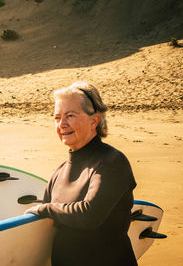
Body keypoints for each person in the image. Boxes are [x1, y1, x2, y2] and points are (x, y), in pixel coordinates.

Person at [25, 81, 138, 265]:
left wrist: (45, 208)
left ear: (94, 121)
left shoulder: (112, 162)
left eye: (70, 115)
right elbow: (44, 228)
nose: (62, 124)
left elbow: (89, 215)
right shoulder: (58, 173)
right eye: (57, 117)